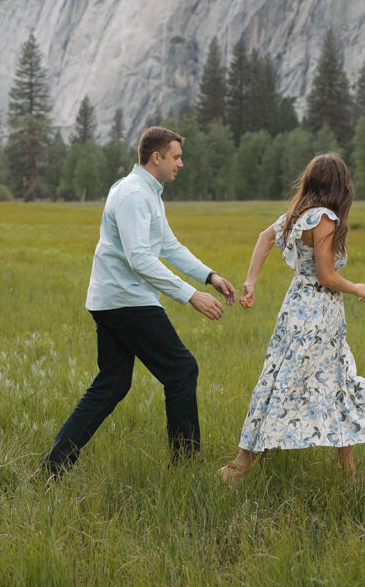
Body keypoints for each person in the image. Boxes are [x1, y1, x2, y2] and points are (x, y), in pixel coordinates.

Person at [43, 126, 236, 475]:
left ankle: (54, 466)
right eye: (176, 157)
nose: (181, 164)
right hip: (126, 300)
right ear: (156, 157)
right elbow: (140, 258)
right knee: (181, 370)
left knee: (113, 383)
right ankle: (185, 468)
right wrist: (191, 295)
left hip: (115, 299)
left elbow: (168, 246)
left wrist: (210, 276)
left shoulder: (148, 193)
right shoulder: (133, 193)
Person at [219, 153, 365, 483]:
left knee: (295, 380)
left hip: (295, 308)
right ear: (339, 187)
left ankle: (347, 472)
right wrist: (355, 286)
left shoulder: (297, 215)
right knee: (326, 383)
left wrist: (251, 281)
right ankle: (240, 467)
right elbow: (327, 276)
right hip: (318, 314)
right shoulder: (325, 219)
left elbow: (264, 239)